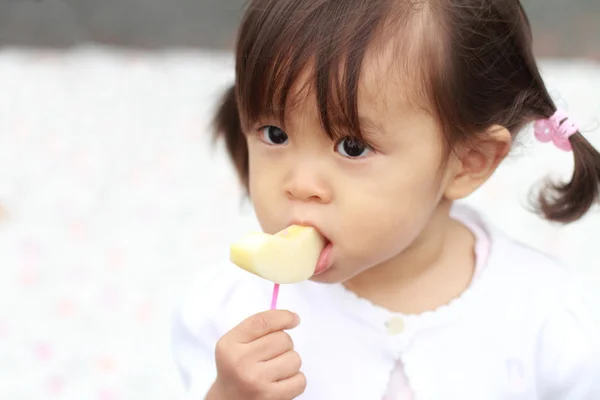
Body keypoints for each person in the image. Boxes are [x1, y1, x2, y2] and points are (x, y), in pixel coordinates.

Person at [171, 0, 600, 398]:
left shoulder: (548, 320)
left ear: (468, 162)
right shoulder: (232, 310)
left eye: (353, 147)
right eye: (275, 135)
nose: (299, 185)